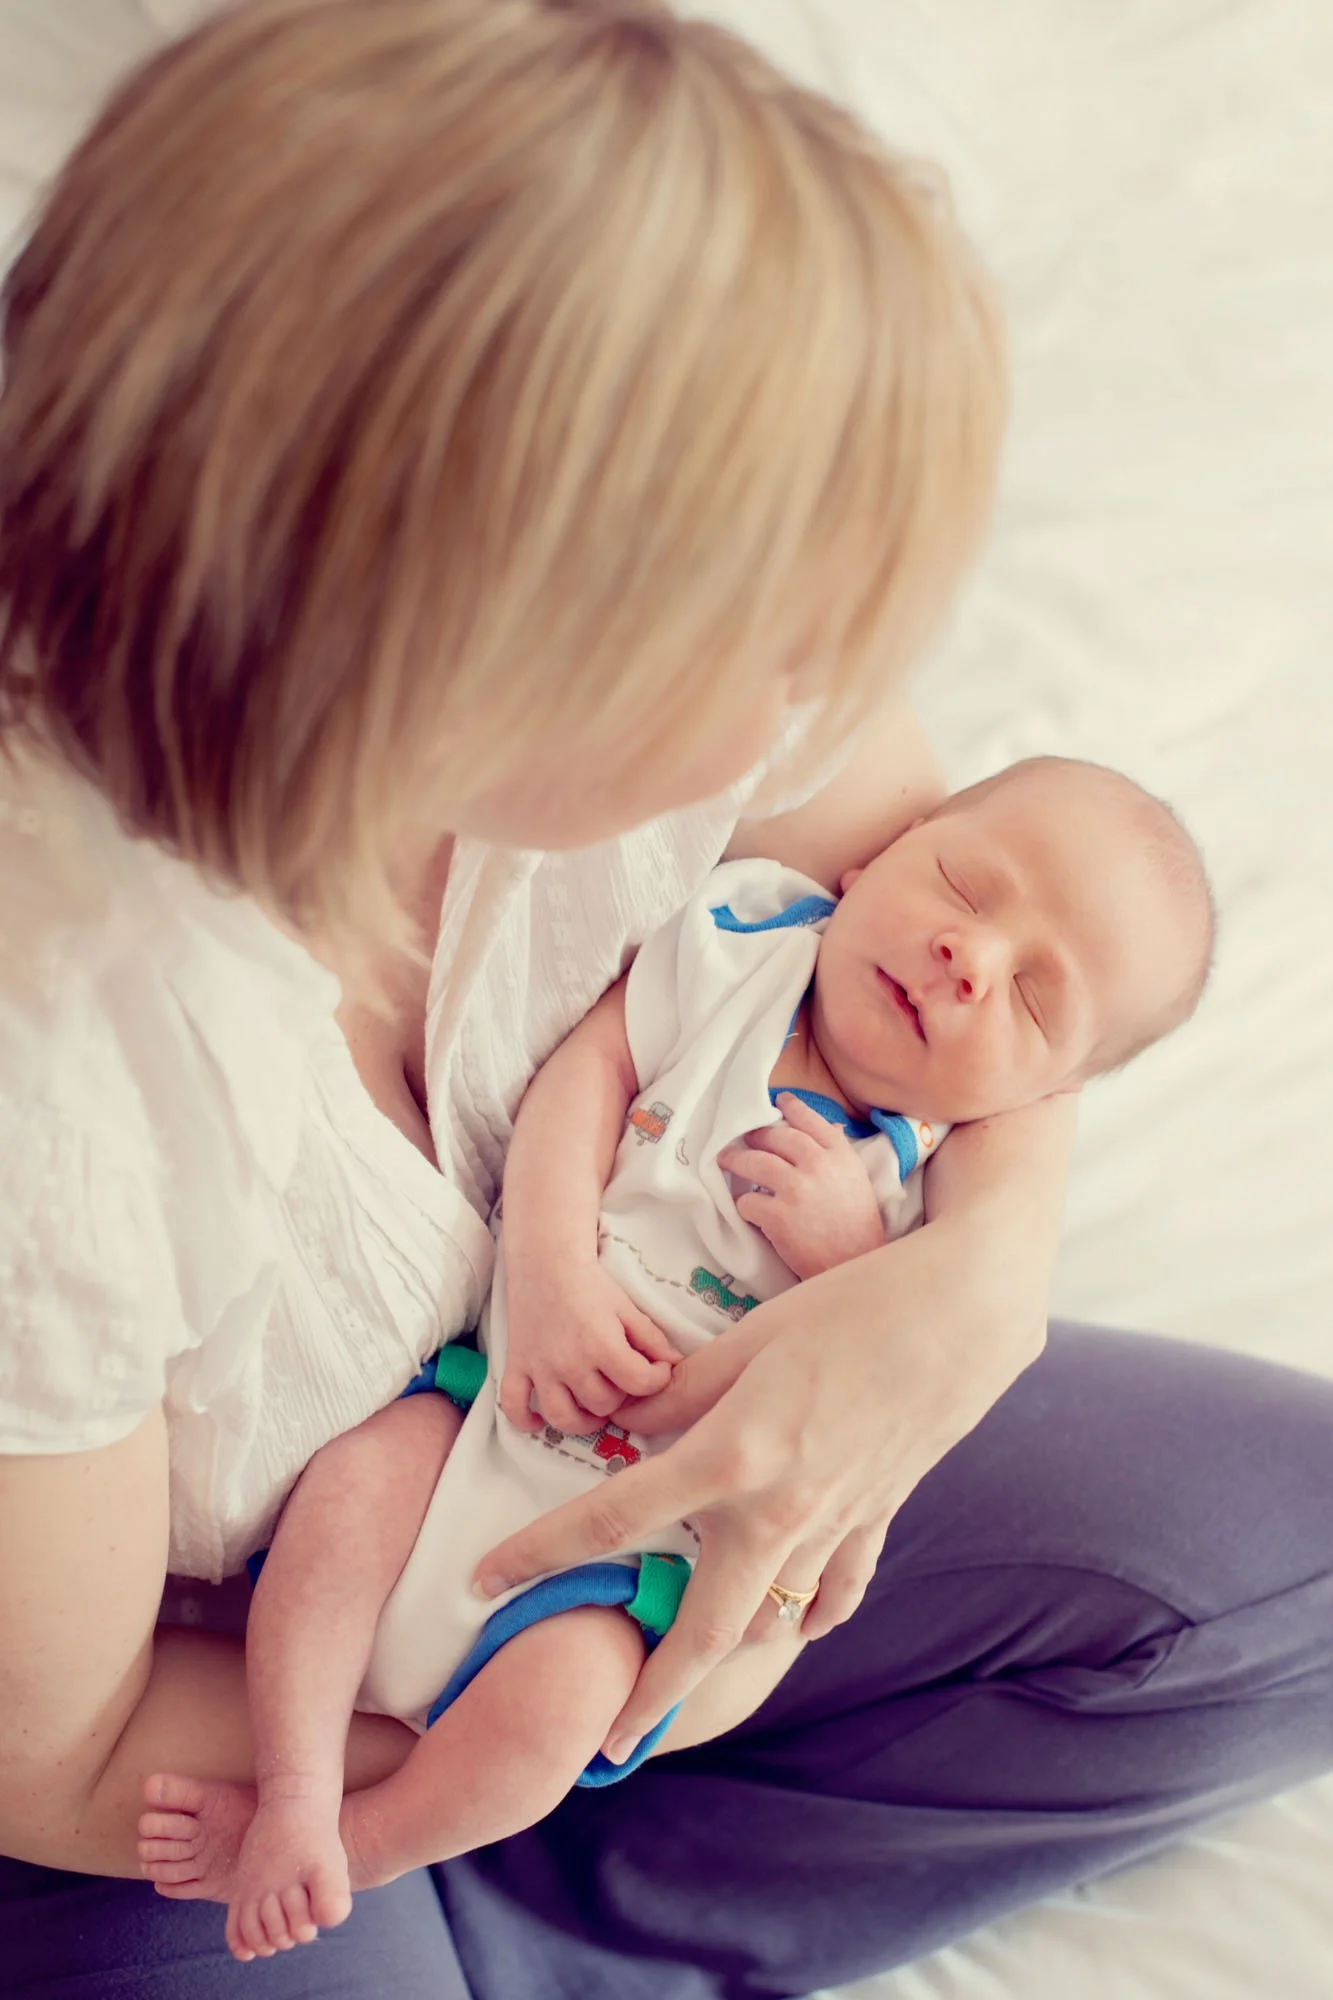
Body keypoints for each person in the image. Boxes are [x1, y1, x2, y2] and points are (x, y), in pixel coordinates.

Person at [0, 7, 1328, 2000]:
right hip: (185, 1717)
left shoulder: (695, 718)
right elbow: (66, 1747)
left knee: (1282, 1566)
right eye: (780, 629)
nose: (821, 691)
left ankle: (567, 1921)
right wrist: (560, 1732)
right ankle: (450, 1897)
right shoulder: (60, 1066)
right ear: (489, 636)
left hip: (585, 1527)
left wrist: (959, 1303)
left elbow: (970, 923)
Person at [134, 756, 1216, 1963]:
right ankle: (292, 1789)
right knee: (351, 1493)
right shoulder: (743, 945)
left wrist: (853, 1260)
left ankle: (367, 1839)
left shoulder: (928, 1194)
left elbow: (883, 1360)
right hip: (496, 1404)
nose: (972, 955)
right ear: (866, 859)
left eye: (1029, 1000)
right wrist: (546, 1266)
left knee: (561, 1712)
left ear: (1043, 1095)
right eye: (962, 885)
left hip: (616, 1556)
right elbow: (588, 1073)